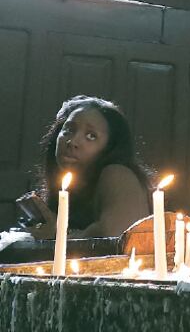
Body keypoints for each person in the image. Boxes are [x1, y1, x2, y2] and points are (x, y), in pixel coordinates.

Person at [28, 96, 152, 239]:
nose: (72, 142)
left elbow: (116, 239)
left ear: (110, 147)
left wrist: (60, 234)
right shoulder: (68, 183)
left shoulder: (117, 173)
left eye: (91, 136)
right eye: (68, 130)